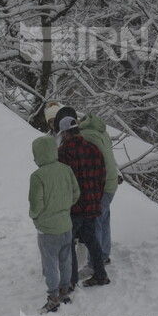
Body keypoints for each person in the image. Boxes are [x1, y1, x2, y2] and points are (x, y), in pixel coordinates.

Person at [28, 135, 81, 313]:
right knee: (65, 259)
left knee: (49, 263)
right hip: (66, 224)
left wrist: (34, 217)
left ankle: (53, 297)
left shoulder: (37, 176)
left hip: (47, 229)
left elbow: (36, 204)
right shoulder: (66, 170)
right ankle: (65, 290)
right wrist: (64, 208)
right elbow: (76, 193)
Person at [56, 115, 109, 288]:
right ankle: (100, 274)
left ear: (64, 133)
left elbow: (62, 181)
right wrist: (96, 197)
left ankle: (70, 281)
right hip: (92, 203)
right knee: (91, 239)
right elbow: (102, 175)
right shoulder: (93, 149)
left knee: (68, 242)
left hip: (74, 206)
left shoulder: (63, 152)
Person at [77, 114, 122, 266]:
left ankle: (96, 260)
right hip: (111, 182)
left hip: (102, 184)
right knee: (104, 218)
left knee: (95, 221)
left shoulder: (86, 135)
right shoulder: (101, 131)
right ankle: (104, 253)